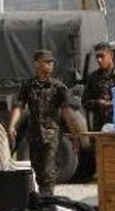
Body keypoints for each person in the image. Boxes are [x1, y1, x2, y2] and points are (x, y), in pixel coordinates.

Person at [7, 49, 70, 196]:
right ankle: (44, 200)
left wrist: (75, 134)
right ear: (37, 64)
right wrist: (11, 126)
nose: (50, 65)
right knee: (38, 170)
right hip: (34, 135)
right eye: (46, 62)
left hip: (51, 136)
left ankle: (47, 202)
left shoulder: (58, 87)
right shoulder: (28, 86)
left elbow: (67, 112)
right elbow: (19, 107)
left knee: (48, 172)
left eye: (52, 62)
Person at [82, 42, 115, 131]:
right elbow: (85, 102)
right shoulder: (93, 78)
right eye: (97, 57)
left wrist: (114, 104)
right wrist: (98, 103)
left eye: (102, 56)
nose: (99, 60)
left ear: (111, 55)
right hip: (99, 127)